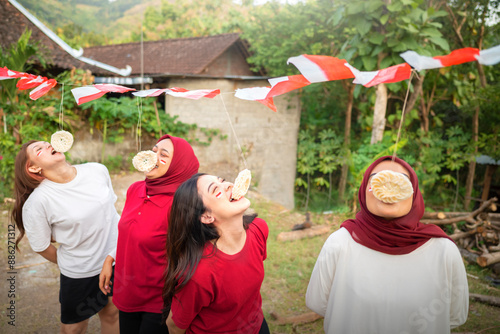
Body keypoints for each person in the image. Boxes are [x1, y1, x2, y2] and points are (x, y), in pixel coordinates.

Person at [305, 156, 469, 334]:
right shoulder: (340, 243)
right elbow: (318, 302)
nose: (389, 186)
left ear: (414, 193)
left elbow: (454, 315)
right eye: (377, 179)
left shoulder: (443, 251)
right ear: (363, 190)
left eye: (401, 181)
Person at [12, 140, 120, 334]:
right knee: (74, 328)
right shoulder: (38, 202)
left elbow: (111, 212)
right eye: (39, 149)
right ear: (34, 168)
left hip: (115, 260)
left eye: (47, 143)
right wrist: (70, 263)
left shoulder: (97, 170)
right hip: (80, 273)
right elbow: (41, 245)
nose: (48, 145)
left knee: (112, 313)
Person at [99, 134, 199, 334]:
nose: (153, 156)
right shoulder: (135, 189)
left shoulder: (182, 205)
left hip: (158, 300)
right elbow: (129, 233)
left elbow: (189, 259)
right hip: (127, 291)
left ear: (178, 165)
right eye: (154, 150)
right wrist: (110, 258)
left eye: (163, 154)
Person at [163, 173, 270, 334]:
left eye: (223, 181)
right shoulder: (200, 274)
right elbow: (174, 327)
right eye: (216, 190)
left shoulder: (259, 229)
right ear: (206, 216)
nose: (228, 186)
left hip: (258, 327)